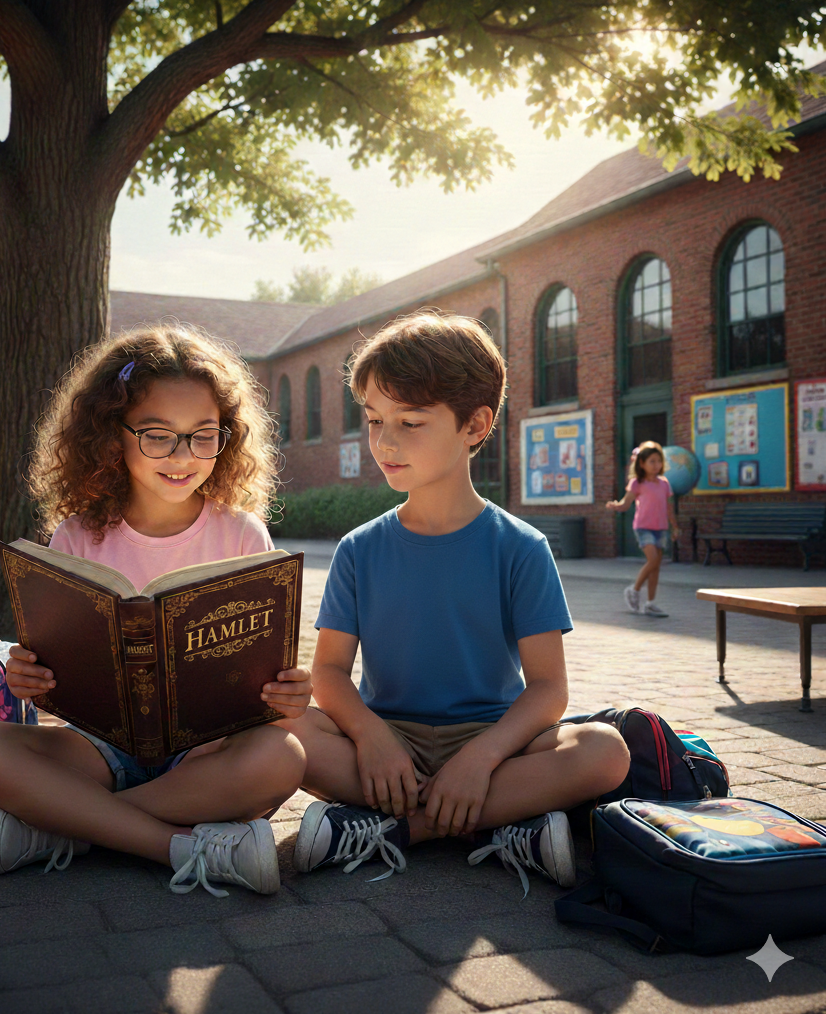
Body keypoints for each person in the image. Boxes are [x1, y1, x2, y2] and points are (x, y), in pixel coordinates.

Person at [0, 324, 310, 897]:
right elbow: (50, 669)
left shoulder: (242, 533)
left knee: (283, 757)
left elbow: (268, 677)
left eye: (203, 436)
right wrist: (26, 675)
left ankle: (69, 826)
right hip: (98, 747)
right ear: (111, 436)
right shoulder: (75, 536)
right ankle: (178, 845)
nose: (182, 456)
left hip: (206, 753)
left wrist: (288, 693)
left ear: (228, 438)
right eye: (157, 435)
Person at [286, 311, 629, 895]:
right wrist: (370, 737)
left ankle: (396, 832)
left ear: (476, 425)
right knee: (280, 728)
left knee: (603, 750)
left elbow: (548, 689)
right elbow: (329, 673)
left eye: (411, 422)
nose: (385, 442)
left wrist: (482, 758)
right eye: (374, 421)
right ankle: (498, 827)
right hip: (386, 745)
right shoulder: (359, 550)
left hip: (492, 742)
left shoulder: (520, 548)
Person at [606, 441, 680, 618]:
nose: (656, 465)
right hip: (643, 527)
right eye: (652, 461)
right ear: (642, 464)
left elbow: (669, 508)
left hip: (660, 528)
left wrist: (675, 527)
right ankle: (634, 589)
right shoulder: (637, 483)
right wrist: (616, 506)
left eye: (659, 461)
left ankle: (651, 603)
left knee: (656, 567)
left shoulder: (664, 483)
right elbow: (626, 504)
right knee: (653, 560)